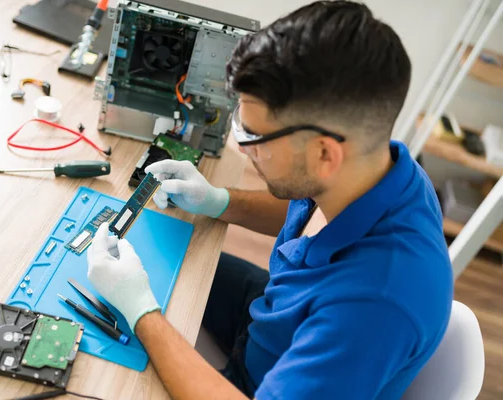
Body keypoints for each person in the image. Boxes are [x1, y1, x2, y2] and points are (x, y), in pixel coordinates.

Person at [87, 1, 454, 399]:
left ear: (324, 155)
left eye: (254, 138)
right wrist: (219, 201)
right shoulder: (375, 166)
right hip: (276, 315)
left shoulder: (374, 307)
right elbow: (303, 210)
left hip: (260, 380)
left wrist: (142, 314)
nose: (243, 150)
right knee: (161, 254)